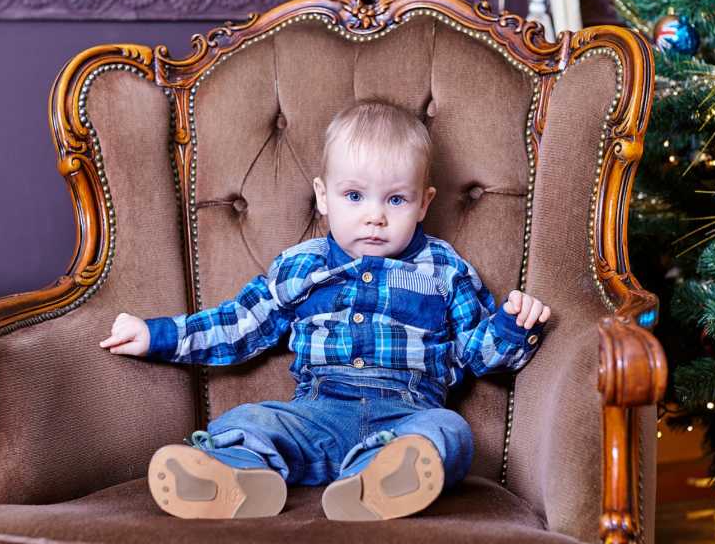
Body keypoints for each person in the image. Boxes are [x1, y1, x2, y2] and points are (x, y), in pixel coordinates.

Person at [100, 100, 551, 521]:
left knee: (451, 431)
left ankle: (378, 479)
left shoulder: (444, 268)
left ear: (423, 203)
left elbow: (477, 352)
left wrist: (514, 325)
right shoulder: (301, 266)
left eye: (396, 200)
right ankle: (237, 476)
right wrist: (157, 335)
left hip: (407, 413)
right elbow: (239, 323)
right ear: (323, 195)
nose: (375, 216)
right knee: (248, 419)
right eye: (354, 196)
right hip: (316, 412)